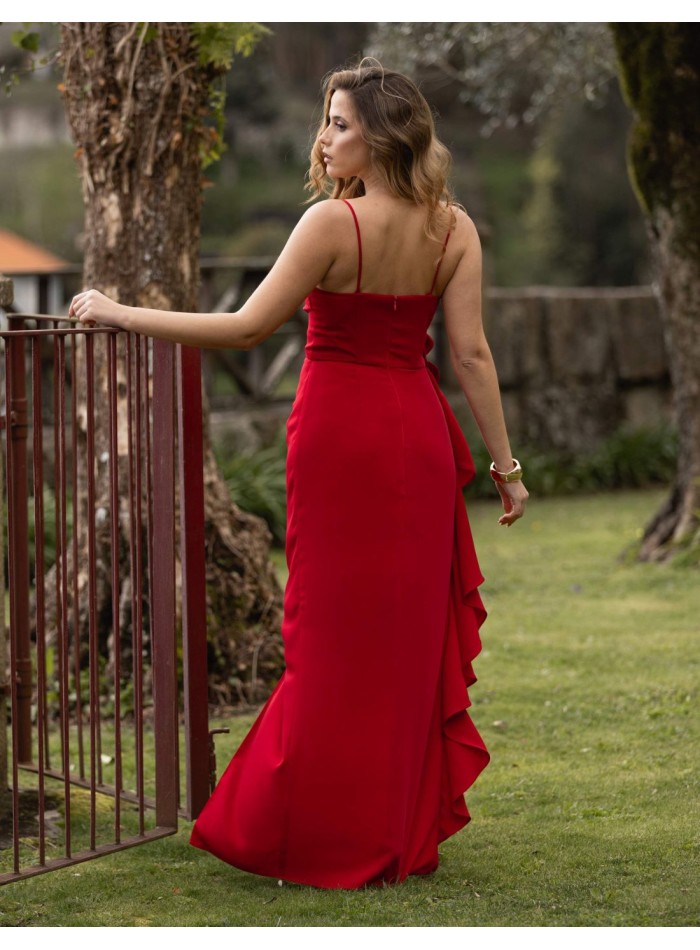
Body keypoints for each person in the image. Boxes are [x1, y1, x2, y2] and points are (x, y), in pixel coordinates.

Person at [69, 60, 528, 890]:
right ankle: (391, 830)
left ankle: (313, 826)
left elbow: (248, 328)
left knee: (330, 636)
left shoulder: (330, 224)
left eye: (340, 124)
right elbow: (470, 357)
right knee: (401, 639)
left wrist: (119, 311)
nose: (324, 138)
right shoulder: (455, 229)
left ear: (381, 137)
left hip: (340, 438)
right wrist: (506, 468)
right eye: (326, 120)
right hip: (418, 438)